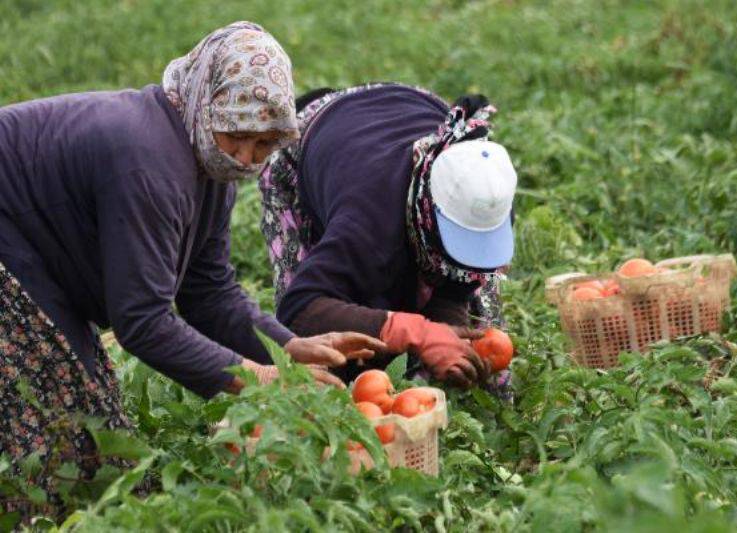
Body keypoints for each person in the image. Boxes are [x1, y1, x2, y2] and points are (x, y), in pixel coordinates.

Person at [0, 22, 384, 517]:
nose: (246, 158)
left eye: (264, 144)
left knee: (92, 440)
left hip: (32, 253)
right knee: (55, 435)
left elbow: (209, 291)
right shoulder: (148, 162)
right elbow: (142, 320)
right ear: (207, 101)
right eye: (237, 135)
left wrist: (288, 350)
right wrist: (257, 375)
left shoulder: (209, 166)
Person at [261, 83, 517, 387]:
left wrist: (447, 323)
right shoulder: (367, 219)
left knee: (480, 343)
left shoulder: (486, 192)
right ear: (425, 215)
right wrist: (413, 332)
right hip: (315, 142)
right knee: (325, 362)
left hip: (411, 107)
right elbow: (300, 309)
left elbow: (460, 282)